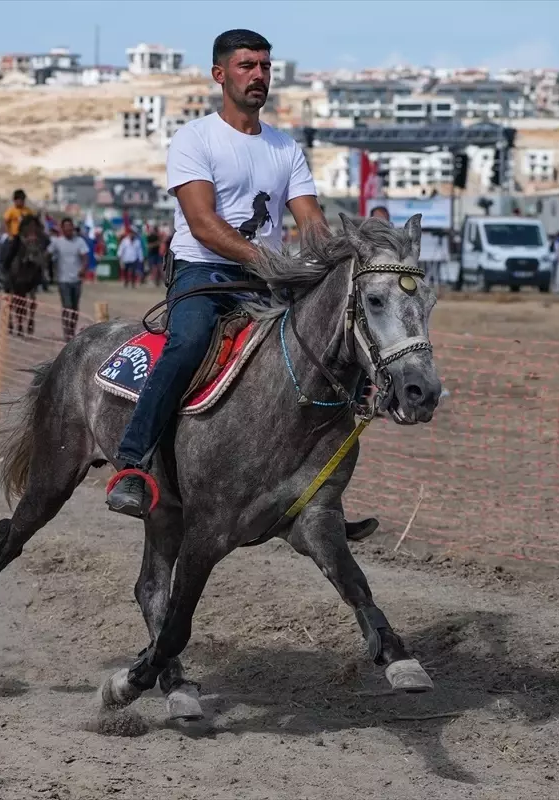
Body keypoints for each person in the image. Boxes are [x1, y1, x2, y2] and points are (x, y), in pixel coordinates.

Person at [106, 29, 327, 517]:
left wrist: (334, 257)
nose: (259, 76)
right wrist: (271, 263)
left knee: (326, 345)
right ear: (219, 74)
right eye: (247, 66)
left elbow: (311, 222)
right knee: (188, 342)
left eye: (265, 67)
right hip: (202, 273)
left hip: (266, 282)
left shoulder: (285, 148)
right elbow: (204, 225)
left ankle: (317, 494)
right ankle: (132, 462)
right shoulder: (195, 137)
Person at [47, 217, 91, 341]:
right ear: (62, 229)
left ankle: (72, 329)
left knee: (75, 307)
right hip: (63, 280)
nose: (68, 229)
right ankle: (67, 333)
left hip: (76, 280)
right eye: (65, 227)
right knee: (67, 306)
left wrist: (83, 268)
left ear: (72, 228)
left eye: (70, 227)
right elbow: (47, 253)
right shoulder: (57, 242)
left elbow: (85, 256)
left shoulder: (79, 241)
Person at [0, 189, 34, 277]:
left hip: (27, 236)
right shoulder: (11, 211)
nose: (20, 202)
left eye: (22, 200)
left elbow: (32, 223)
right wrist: (10, 234)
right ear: (14, 201)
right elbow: (6, 222)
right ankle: (5, 268)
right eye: (18, 200)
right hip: (15, 235)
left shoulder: (28, 211)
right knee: (12, 250)